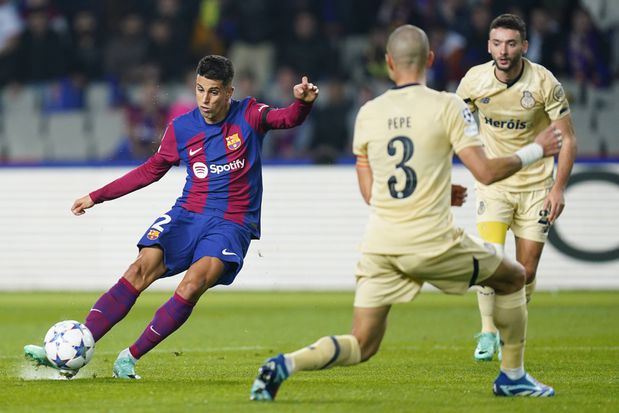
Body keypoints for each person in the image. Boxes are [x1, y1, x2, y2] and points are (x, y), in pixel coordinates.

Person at [249, 24, 562, 401]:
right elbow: (486, 172)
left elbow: (372, 193)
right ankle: (512, 376)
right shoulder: (448, 106)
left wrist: (435, 191)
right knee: (513, 278)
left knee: (362, 343)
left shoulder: (368, 113)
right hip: (432, 242)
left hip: (381, 245)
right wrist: (537, 149)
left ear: (388, 63)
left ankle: (284, 364)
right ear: (429, 59)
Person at [23, 54, 319, 379]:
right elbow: (150, 171)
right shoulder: (182, 128)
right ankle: (74, 347)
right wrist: (97, 196)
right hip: (187, 214)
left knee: (192, 284)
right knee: (139, 269)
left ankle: (129, 358)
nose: (205, 99)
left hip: (232, 223)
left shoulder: (249, 114)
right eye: (200, 89)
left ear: (229, 92)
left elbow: (287, 118)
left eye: (214, 92)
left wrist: (302, 104)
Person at [455, 13, 577, 362]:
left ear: (524, 46)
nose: (503, 51)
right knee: (491, 260)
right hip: (494, 184)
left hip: (537, 187)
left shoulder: (544, 82)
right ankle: (488, 333)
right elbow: (452, 125)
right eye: (497, 44)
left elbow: (567, 139)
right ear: (488, 46)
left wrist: (558, 189)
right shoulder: (474, 81)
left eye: (510, 44)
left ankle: (510, 328)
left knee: (525, 272)